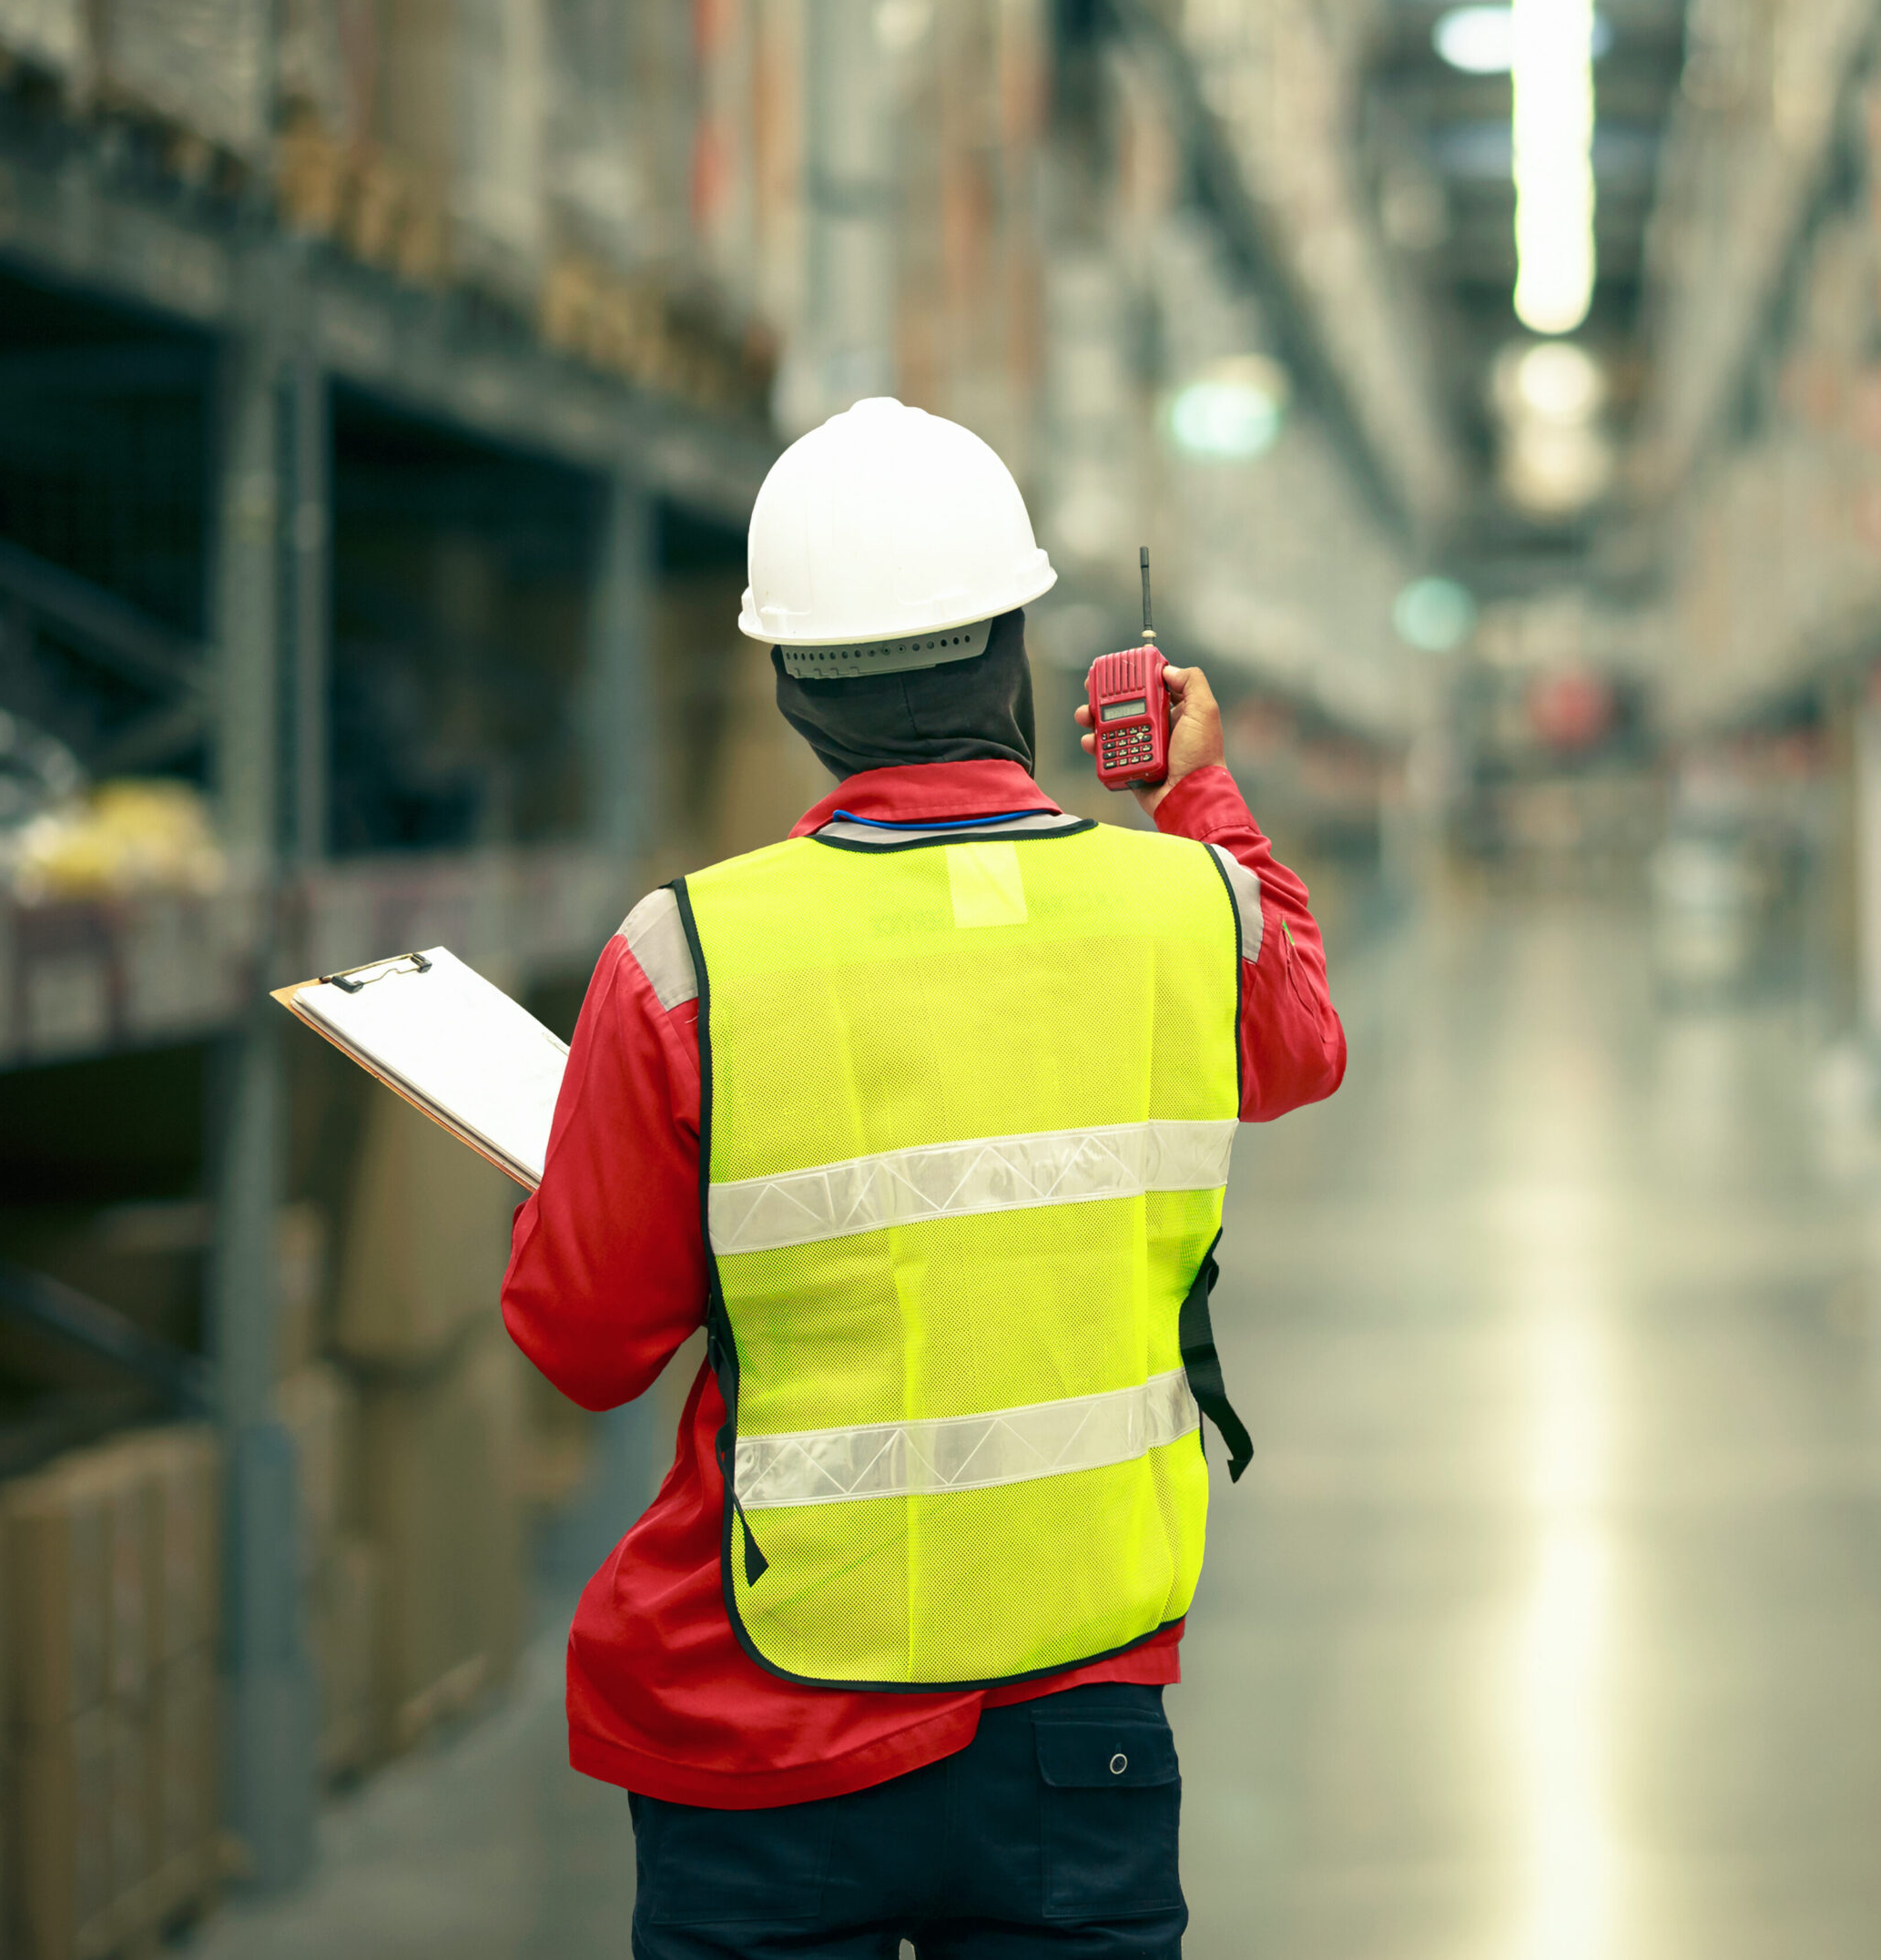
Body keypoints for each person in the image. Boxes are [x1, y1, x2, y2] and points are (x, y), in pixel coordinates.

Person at [503, 397, 1347, 1956]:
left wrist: (569, 1186)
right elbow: (1301, 1039)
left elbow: (582, 1342)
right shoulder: (1186, 909)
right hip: (1076, 1703)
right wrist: (1194, 797)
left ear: (790, 687)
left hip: (757, 1718)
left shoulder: (683, 960)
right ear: (1015, 646)